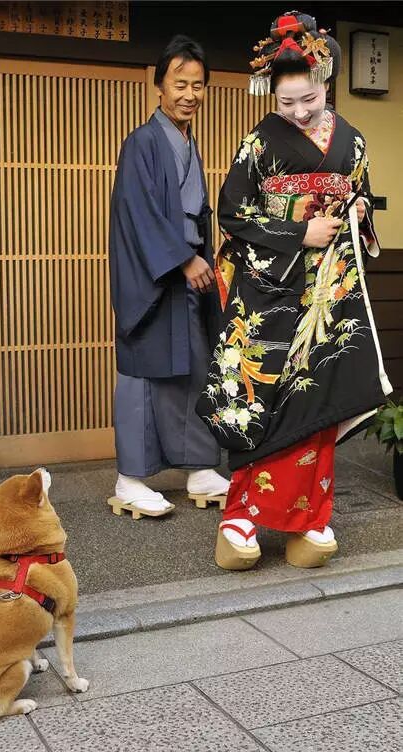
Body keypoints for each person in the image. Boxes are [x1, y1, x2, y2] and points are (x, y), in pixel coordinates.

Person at [196, 11, 392, 567]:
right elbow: (232, 213)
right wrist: (298, 232)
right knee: (264, 396)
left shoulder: (352, 141)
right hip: (271, 289)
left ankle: (310, 519)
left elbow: (362, 196)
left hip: (328, 291)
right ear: (271, 95)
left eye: (310, 99)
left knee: (319, 395)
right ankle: (242, 518)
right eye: (287, 103)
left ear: (326, 84)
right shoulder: (259, 142)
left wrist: (356, 210)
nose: (300, 112)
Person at [108, 35, 230, 519]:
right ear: (159, 85)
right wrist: (182, 260)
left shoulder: (187, 143)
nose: (189, 95)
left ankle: (198, 467)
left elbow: (196, 212)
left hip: (189, 275)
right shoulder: (142, 141)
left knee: (195, 367)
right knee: (143, 373)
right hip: (156, 279)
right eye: (180, 84)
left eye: (198, 86)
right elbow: (137, 212)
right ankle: (130, 479)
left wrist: (204, 259)